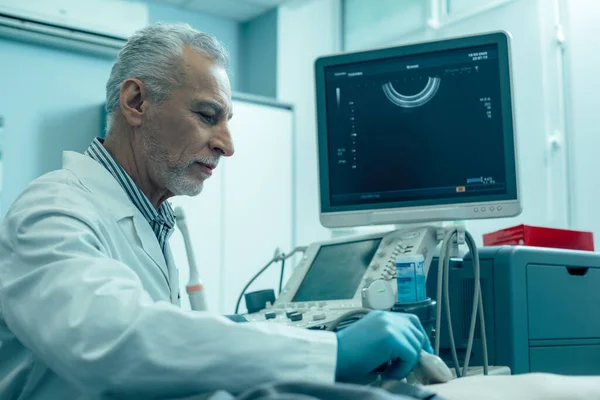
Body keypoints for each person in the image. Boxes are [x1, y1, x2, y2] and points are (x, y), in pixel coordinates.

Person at [0, 23, 433, 400]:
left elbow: (160, 345)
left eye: (227, 122)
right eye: (208, 116)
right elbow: (111, 341)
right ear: (136, 102)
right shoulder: (53, 209)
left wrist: (242, 331)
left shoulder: (147, 217)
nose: (227, 145)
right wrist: (329, 353)